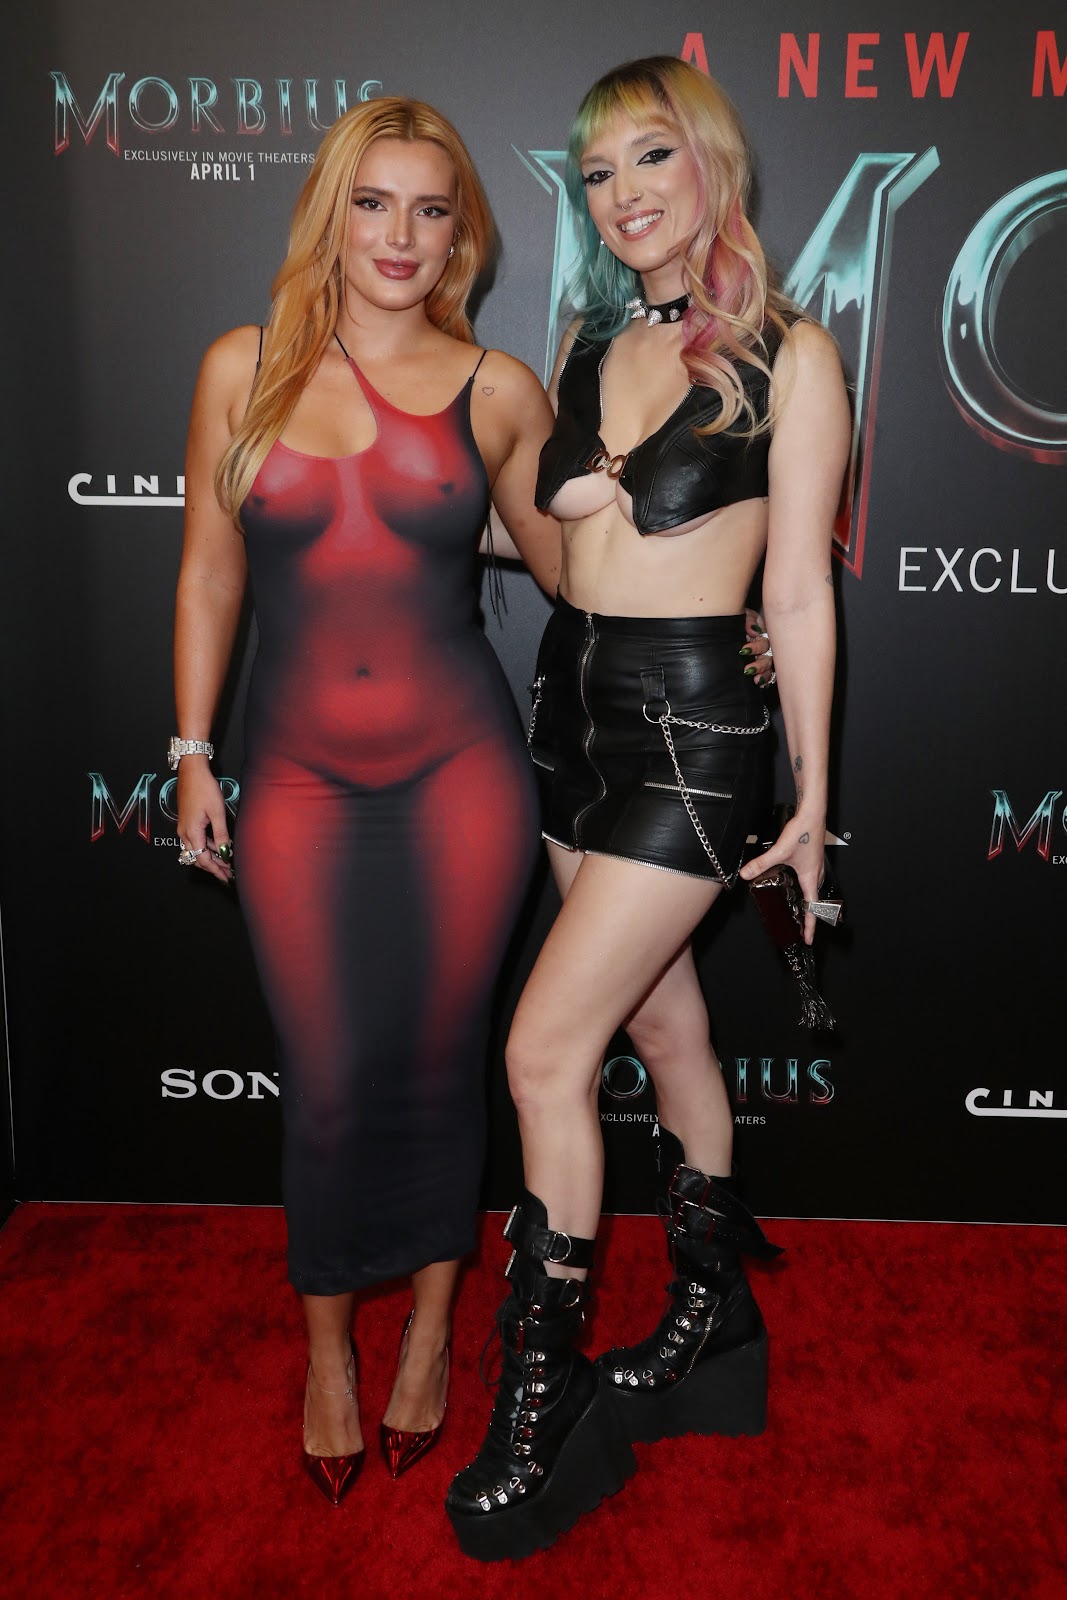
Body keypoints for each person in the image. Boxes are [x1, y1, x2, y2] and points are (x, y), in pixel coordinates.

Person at [446, 56, 850, 1562]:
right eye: (599, 173)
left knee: (544, 1053)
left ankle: (545, 1396)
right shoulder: (586, 341)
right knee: (667, 1032)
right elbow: (544, 540)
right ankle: (712, 1321)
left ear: (713, 163)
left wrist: (811, 791)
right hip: (567, 710)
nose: (623, 195)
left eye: (651, 158)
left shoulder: (795, 355)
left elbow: (796, 592)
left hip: (691, 732)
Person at [171, 96, 564, 1504]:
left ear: (462, 235)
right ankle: (329, 1347)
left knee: (442, 1065)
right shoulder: (243, 366)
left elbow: (577, 573)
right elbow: (209, 570)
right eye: (374, 202)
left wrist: (731, 599)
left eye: (431, 208)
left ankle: (436, 1331)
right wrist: (192, 750)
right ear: (331, 213)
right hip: (294, 775)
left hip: (462, 775)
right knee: (329, 1077)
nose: (401, 234)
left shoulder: (498, 387)